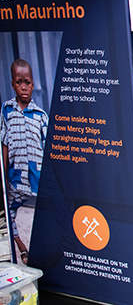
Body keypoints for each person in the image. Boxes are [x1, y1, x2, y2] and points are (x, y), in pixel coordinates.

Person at [1, 59, 48, 264]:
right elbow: (4, 144)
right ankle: (21, 246)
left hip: (38, 179)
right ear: (13, 84)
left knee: (50, 214)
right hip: (16, 179)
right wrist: (3, 176)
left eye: (27, 82)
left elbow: (47, 150)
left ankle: (48, 252)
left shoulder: (41, 115)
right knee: (9, 213)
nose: (23, 86)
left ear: (33, 84)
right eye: (19, 82)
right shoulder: (7, 110)